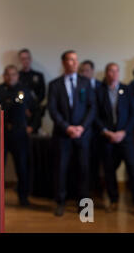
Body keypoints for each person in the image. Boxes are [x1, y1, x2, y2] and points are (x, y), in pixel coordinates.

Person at [48, 50, 95, 216]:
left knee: (83, 169)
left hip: (83, 134)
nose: (74, 63)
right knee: (61, 169)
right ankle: (60, 202)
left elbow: (92, 107)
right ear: (63, 63)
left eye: (76, 60)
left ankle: (83, 205)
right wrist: (67, 127)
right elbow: (52, 110)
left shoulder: (86, 82)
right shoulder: (54, 84)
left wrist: (81, 127)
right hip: (63, 134)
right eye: (70, 60)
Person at [95, 63, 134, 216]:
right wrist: (106, 132)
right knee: (109, 170)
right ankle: (113, 200)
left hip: (125, 137)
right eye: (110, 70)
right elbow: (95, 115)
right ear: (106, 73)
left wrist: (124, 132)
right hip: (107, 138)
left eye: (116, 70)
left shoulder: (126, 89)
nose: (113, 73)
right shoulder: (99, 91)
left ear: (118, 73)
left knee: (133, 169)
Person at [0, 65, 32, 206]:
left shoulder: (24, 91)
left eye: (13, 74)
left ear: (17, 76)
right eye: (8, 74)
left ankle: (23, 197)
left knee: (22, 167)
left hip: (19, 134)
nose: (11, 77)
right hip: (0, 134)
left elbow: (36, 110)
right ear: (4, 76)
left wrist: (32, 127)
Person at [79, 60, 103, 196]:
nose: (84, 73)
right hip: (85, 129)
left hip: (99, 129)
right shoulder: (79, 85)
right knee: (84, 162)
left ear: (92, 71)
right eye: (81, 71)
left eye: (86, 70)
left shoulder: (100, 86)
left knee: (98, 161)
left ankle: (97, 189)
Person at [18, 49, 46, 133]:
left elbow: (42, 94)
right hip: (21, 112)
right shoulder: (16, 76)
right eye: (23, 58)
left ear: (31, 59)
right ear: (20, 60)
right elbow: (16, 93)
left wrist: (32, 108)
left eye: (27, 58)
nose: (25, 60)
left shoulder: (38, 75)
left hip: (36, 112)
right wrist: (24, 108)